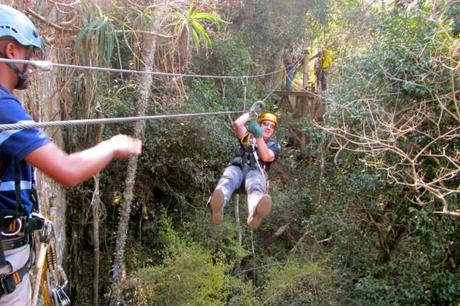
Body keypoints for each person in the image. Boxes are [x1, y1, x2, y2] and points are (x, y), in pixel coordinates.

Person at [0, 5, 142, 305]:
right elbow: (66, 170)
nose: (33, 63)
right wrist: (113, 145)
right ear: (11, 50)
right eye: (29, 53)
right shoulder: (3, 106)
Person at [208, 112, 281, 230]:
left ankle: (255, 212)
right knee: (229, 178)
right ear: (259, 125)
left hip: (255, 173)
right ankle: (217, 207)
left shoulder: (274, 145)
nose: (268, 127)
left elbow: (267, 157)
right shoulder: (248, 138)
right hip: (238, 168)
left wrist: (259, 137)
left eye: (272, 126)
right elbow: (237, 124)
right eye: (266, 124)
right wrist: (251, 113)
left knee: (256, 186)